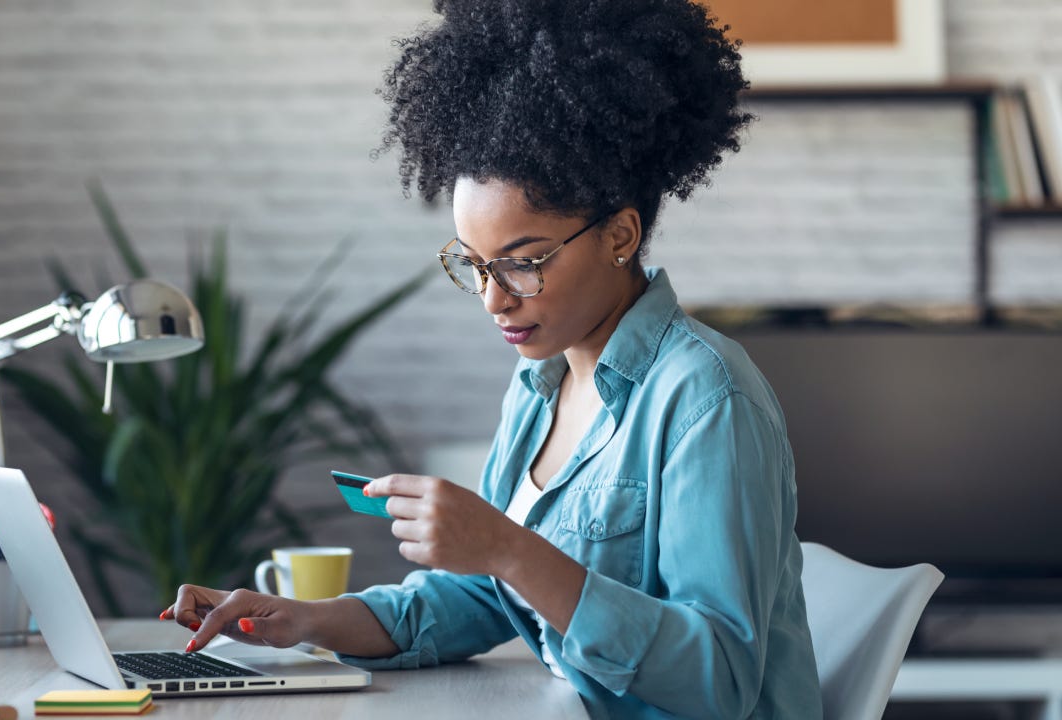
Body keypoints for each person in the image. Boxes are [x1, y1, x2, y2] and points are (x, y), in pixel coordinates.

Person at [161, 0, 823, 717]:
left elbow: (718, 682)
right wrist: (306, 620)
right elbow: (483, 598)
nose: (492, 299)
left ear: (621, 234)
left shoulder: (706, 400)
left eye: (523, 262)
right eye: (472, 265)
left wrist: (508, 548)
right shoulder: (540, 382)